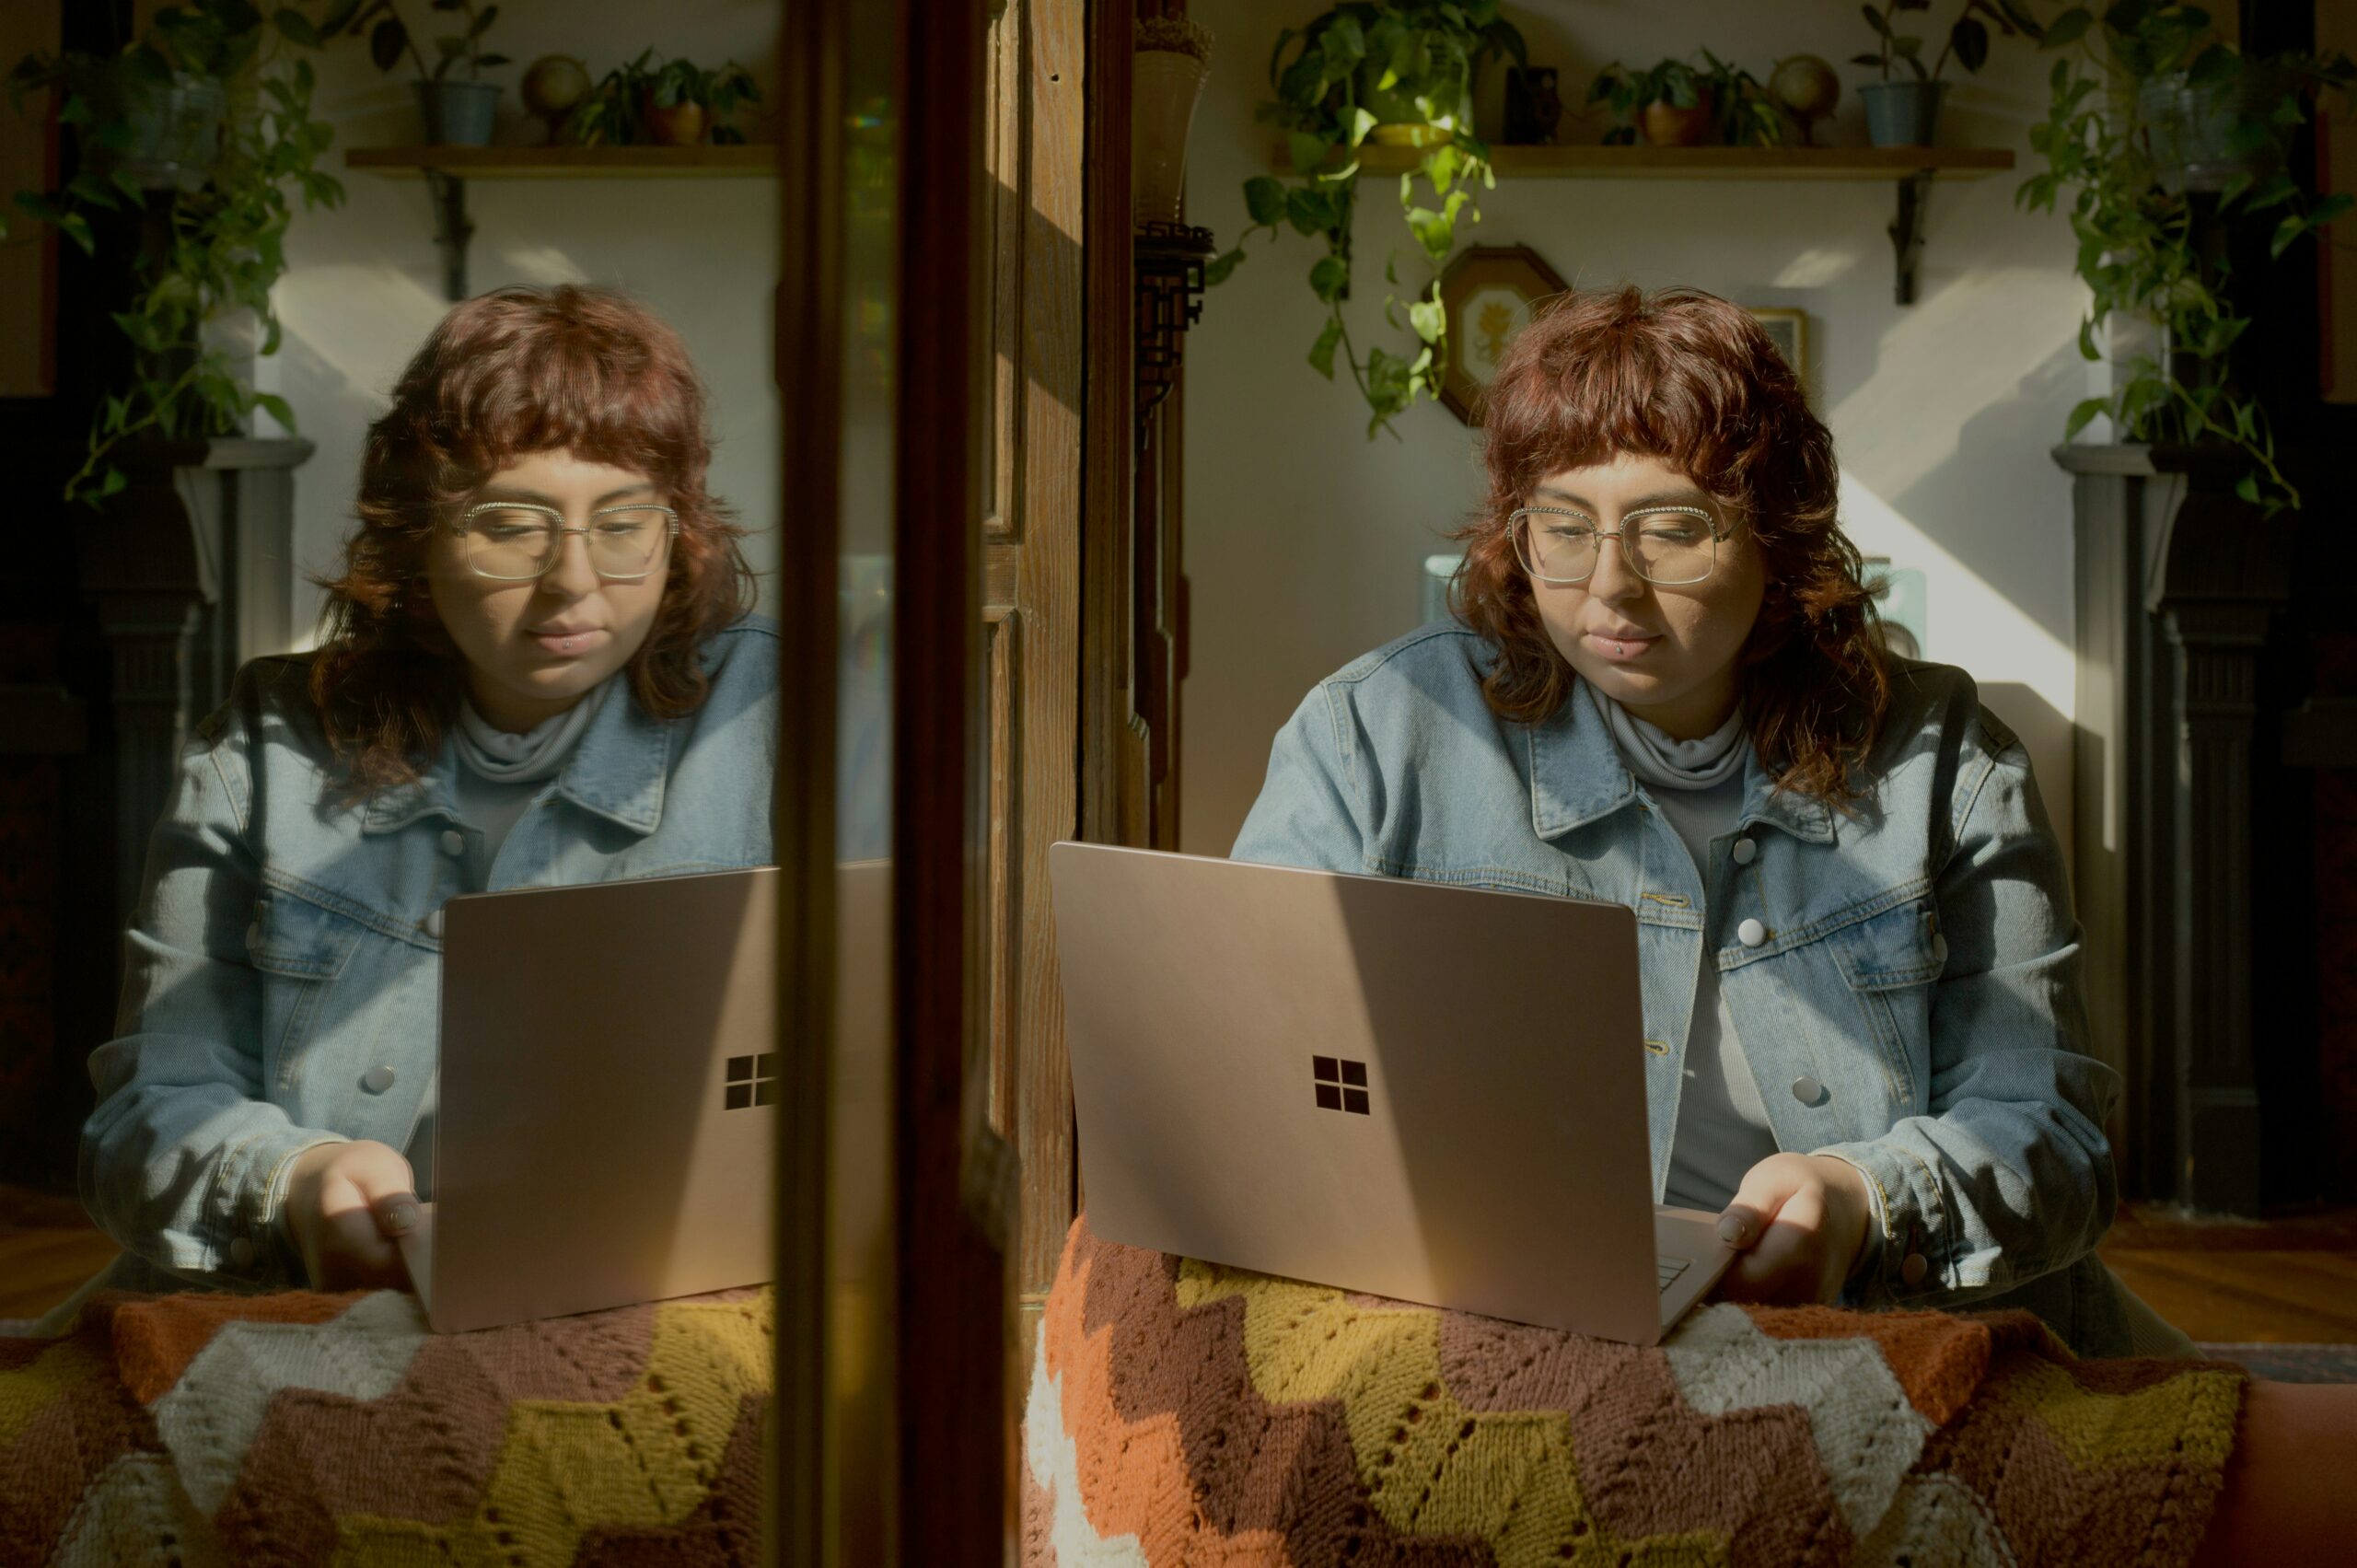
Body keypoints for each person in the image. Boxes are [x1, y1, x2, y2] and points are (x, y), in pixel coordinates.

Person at [1233, 285, 2148, 1356]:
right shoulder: (1376, 733)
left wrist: (1860, 1201)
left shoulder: (1944, 760)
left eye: (1671, 530)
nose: (1609, 588)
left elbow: (2053, 1135)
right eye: (1562, 529)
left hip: (1900, 1333)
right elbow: (1256, 1078)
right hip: (1519, 1327)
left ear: (1778, 534)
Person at [74, 284, 775, 1302]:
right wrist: (291, 1185)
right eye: (510, 524)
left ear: (679, 534)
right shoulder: (269, 746)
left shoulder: (780, 722)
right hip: (289, 1312)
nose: (572, 581)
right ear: (415, 535)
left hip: (650, 1305)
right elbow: (143, 1116)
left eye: (623, 521)